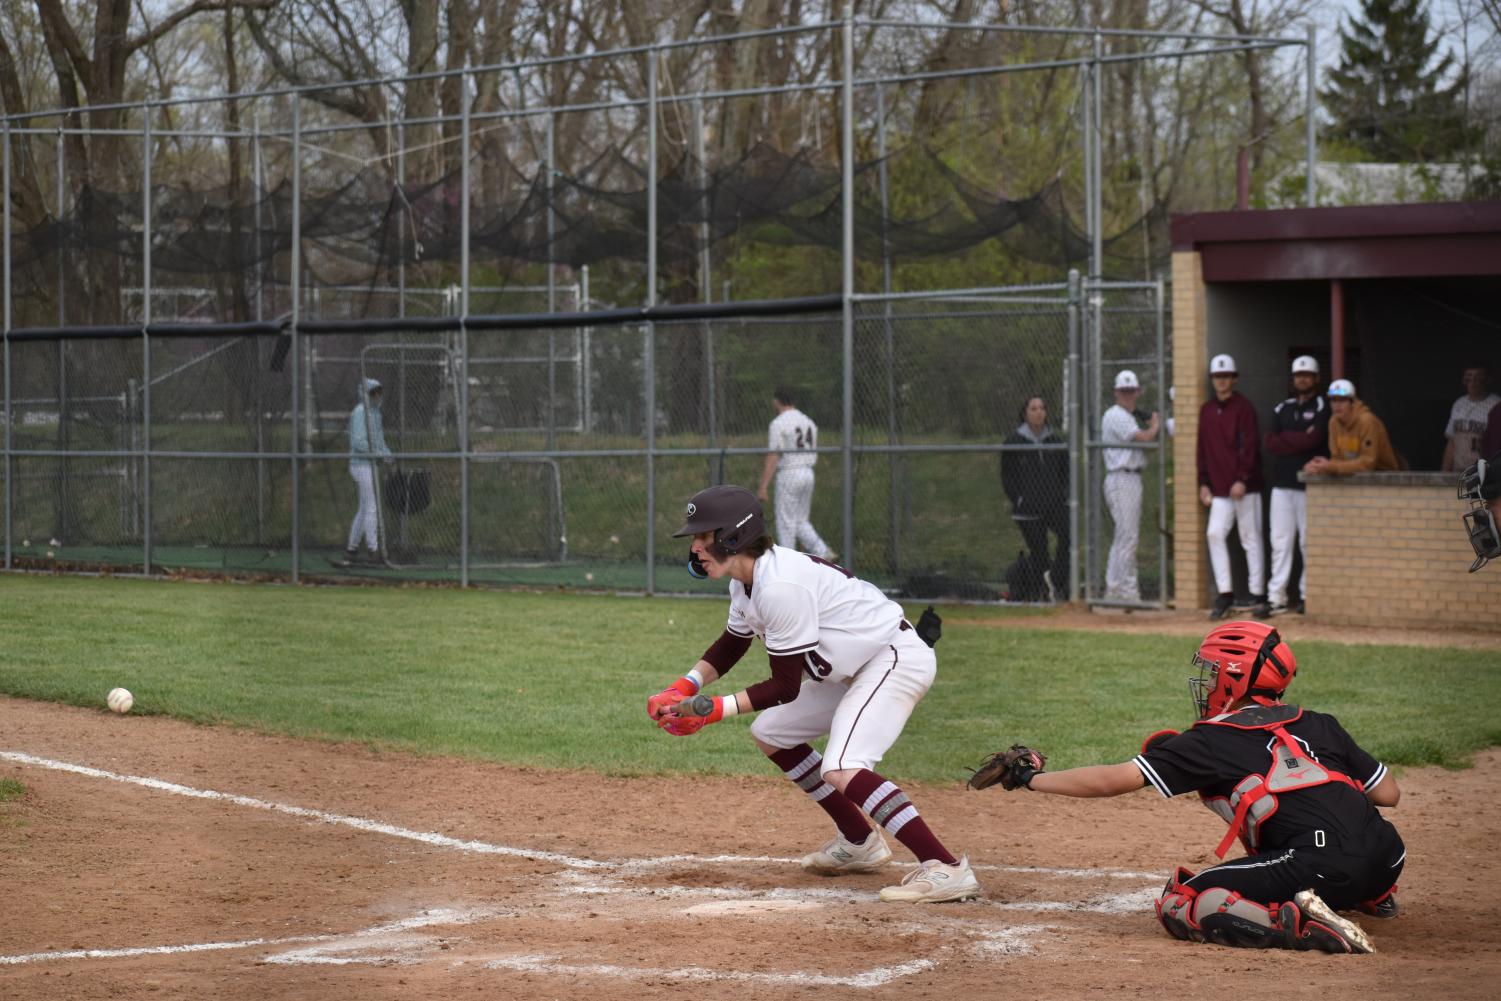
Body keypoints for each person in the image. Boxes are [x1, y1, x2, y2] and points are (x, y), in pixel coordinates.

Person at [979, 619, 1404, 954]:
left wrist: (1030, 779)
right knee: (1336, 849)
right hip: (1389, 858)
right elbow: (1388, 794)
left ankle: (1303, 928)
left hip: (1318, 863)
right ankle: (1370, 897)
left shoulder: (1210, 739)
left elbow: (1111, 781)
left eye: (1215, 671)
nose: (1208, 681)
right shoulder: (1319, 722)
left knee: (1183, 902)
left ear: (1234, 679)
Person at [649, 484, 979, 903]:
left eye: (703, 535)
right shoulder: (746, 580)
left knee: (843, 766)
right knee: (772, 733)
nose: (695, 545)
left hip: (891, 659)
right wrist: (683, 686)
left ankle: (944, 866)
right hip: (851, 671)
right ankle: (860, 842)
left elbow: (785, 686)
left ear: (735, 536)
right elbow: (733, 643)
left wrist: (711, 709)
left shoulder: (780, 586)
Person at [1197, 354, 1266, 621]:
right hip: (1219, 488)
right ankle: (1225, 594)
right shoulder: (1206, 410)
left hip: (1244, 487)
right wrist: (1203, 483)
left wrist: (1243, 478)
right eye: (1217, 376)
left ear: (1234, 379)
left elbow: (1249, 446)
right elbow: (1202, 449)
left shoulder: (1244, 407)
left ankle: (1258, 595)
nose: (1222, 381)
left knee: (1250, 538)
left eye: (1226, 376)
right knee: (1214, 533)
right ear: (1213, 380)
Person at [1259, 355, 1328, 618]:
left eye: (1307, 375)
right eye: (1298, 375)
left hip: (1309, 487)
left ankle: (1307, 596)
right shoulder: (1282, 408)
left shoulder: (1323, 405)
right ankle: (1277, 597)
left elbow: (1316, 439)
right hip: (1281, 484)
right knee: (1280, 541)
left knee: (1307, 542)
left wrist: (1289, 439)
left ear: (1316, 378)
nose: (1302, 379)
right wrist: (1300, 438)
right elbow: (1270, 442)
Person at [1001, 395, 1069, 601]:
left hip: (1054, 504)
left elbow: (1065, 472)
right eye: (1033, 408)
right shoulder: (1015, 441)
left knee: (1068, 537)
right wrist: (1019, 499)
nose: (1038, 412)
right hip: (1028, 508)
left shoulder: (1055, 440)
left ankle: (1056, 579)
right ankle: (1042, 590)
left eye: (1042, 408)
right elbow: (1008, 476)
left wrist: (1063, 495)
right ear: (1025, 413)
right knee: (1039, 550)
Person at [1100, 370, 1159, 603]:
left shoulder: (1127, 415)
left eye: (1131, 391)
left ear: (1137, 392)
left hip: (1130, 478)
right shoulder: (1115, 414)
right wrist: (1154, 425)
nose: (1127, 395)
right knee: (1128, 537)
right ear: (1116, 393)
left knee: (1123, 537)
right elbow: (1145, 439)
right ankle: (1127, 592)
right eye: (1123, 391)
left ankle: (1114, 589)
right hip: (1121, 478)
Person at [758, 387, 835, 560]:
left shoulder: (778, 423)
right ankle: (822, 551)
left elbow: (774, 454)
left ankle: (789, 562)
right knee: (800, 520)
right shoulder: (808, 421)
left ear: (776, 401)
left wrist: (763, 486)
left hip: (790, 472)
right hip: (808, 472)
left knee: (786, 522)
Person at [340, 378, 392, 566]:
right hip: (361, 465)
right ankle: (374, 550)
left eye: (379, 393)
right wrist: (379, 453)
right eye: (374, 393)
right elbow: (359, 442)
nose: (377, 396)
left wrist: (387, 454)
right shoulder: (361, 412)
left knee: (364, 508)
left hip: (369, 464)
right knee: (371, 507)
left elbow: (379, 440)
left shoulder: (376, 413)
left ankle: (351, 549)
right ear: (367, 394)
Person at [1303, 379, 1400, 477]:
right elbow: (1336, 458)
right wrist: (1318, 467)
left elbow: (1368, 463)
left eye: (1342, 400)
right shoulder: (1333, 422)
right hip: (1353, 478)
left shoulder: (1367, 421)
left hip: (1384, 477)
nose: (1337, 405)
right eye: (1333, 400)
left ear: (1352, 402)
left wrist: (1331, 467)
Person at [1442, 362, 1500, 472]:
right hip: (1459, 470)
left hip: (1483, 471)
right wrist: (1444, 473)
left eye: (1478, 378)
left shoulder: (1496, 406)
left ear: (1487, 380)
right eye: (1469, 378)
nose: (1473, 383)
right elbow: (1452, 441)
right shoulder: (1459, 404)